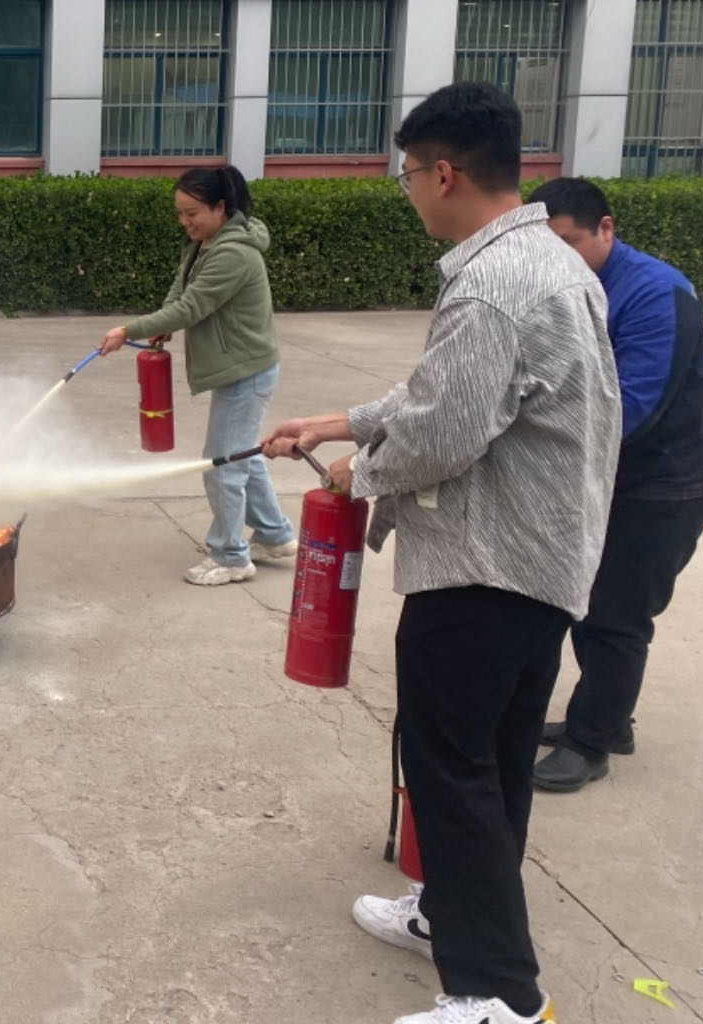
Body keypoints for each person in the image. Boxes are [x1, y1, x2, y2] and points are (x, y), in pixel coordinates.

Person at [262, 82, 620, 1024]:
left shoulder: (492, 286)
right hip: (538, 563)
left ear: (446, 173)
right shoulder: (548, 260)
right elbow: (448, 392)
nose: (410, 191)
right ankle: (447, 917)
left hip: (485, 567)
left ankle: (498, 994)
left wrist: (360, 470)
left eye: (410, 175)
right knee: (489, 763)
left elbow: (440, 434)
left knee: (452, 768)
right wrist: (341, 420)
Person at [525, 178, 703, 793]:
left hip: (664, 482)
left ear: (606, 229)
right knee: (585, 603)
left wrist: (534, 448)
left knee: (616, 615)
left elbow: (635, 407)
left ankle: (590, 743)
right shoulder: (566, 286)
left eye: (569, 243)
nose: (559, 259)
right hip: (607, 475)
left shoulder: (657, 294)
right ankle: (609, 721)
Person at [97, 165, 296, 586]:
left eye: (193, 213)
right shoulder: (204, 244)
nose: (185, 222)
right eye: (180, 213)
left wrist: (129, 330)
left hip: (247, 372)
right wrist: (160, 323)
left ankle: (231, 556)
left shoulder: (233, 253)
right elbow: (180, 293)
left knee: (221, 464)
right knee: (241, 455)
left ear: (220, 207)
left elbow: (192, 308)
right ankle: (274, 535)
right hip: (239, 368)